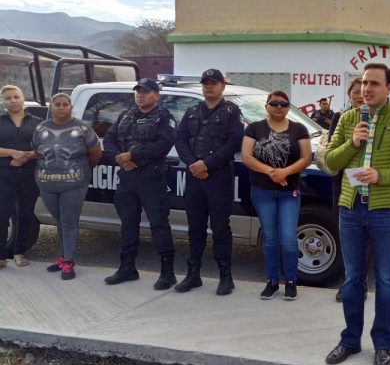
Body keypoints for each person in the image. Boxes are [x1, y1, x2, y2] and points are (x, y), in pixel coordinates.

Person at [323, 63, 390, 365]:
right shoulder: (348, 119)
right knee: (352, 278)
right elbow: (329, 162)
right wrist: (351, 143)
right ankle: (350, 340)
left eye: (374, 84)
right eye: (364, 83)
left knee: (385, 279)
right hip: (350, 209)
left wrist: (382, 176)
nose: (367, 89)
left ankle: (382, 344)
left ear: (389, 87)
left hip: (384, 211)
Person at [103, 78, 177, 290]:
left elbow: (163, 144)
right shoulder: (125, 115)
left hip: (151, 178)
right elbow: (109, 140)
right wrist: (119, 157)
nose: (140, 95)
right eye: (137, 91)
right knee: (128, 224)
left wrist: (133, 155)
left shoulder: (164, 118)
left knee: (159, 225)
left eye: (145, 92)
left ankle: (167, 273)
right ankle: (127, 268)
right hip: (127, 178)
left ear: (156, 95)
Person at [174, 69, 244, 295]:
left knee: (220, 228)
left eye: (213, 83)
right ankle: (193, 275)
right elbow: (180, 139)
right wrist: (194, 164)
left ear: (222, 86)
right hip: (195, 177)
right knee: (195, 228)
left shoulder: (232, 111)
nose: (208, 87)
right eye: (205, 83)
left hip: (219, 177)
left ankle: (226, 277)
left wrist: (207, 164)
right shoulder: (192, 110)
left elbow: (234, 142)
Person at [241, 91, 311, 300]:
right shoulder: (254, 128)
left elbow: (307, 158)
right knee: (270, 238)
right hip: (262, 191)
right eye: (275, 103)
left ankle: (291, 281)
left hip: (290, 191)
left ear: (289, 107)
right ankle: (272, 281)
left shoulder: (299, 129)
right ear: (267, 106)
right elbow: (246, 157)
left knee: (289, 238)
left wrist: (285, 172)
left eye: (284, 104)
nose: (279, 107)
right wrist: (272, 172)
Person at [31, 93, 101, 280]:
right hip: (46, 183)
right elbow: (37, 152)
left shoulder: (82, 128)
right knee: (60, 221)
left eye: (65, 104)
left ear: (71, 107)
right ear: (51, 107)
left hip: (74, 184)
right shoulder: (40, 128)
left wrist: (82, 172)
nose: (61, 107)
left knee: (69, 221)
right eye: (57, 104)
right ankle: (63, 258)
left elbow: (95, 154)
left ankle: (69, 261)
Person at [329, 78, 369, 303]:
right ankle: (347, 283)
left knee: (366, 240)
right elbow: (333, 152)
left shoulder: (375, 118)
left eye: (362, 91)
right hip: (345, 184)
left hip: (370, 185)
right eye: (355, 92)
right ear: (349, 94)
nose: (359, 95)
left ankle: (360, 285)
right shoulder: (341, 118)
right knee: (348, 238)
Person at [0, 85, 42, 268]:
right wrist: (13, 153)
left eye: (16, 96)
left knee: (26, 213)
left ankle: (20, 252)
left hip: (29, 173)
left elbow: (45, 147)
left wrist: (27, 157)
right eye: (8, 98)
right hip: (4, 174)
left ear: (23, 97)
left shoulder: (37, 122)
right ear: (3, 102)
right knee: (2, 213)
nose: (13, 100)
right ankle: (1, 255)